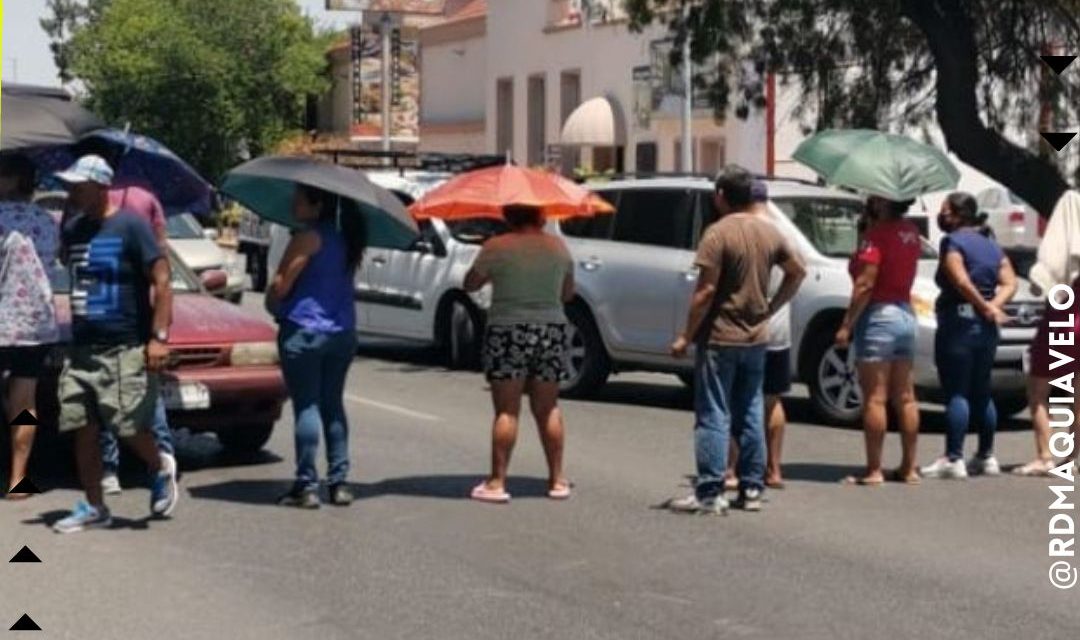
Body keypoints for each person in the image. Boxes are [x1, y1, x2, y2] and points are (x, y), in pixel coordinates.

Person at [52, 155, 178, 533]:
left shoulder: (131, 226)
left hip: (124, 346)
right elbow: (66, 262)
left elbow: (163, 280)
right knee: (83, 427)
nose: (70, 191)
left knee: (127, 427)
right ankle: (94, 506)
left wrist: (158, 339)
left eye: (78, 186)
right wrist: (66, 221)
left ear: (102, 186)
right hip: (82, 348)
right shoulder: (74, 228)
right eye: (69, 185)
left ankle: (160, 467)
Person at [668, 166, 805, 514]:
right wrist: (773, 306)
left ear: (721, 196)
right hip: (755, 337)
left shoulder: (717, 233)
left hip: (720, 335)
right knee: (750, 410)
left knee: (714, 411)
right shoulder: (769, 232)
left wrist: (685, 335)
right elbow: (797, 271)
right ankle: (752, 488)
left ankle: (710, 490)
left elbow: (706, 290)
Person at [463, 204, 575, 504]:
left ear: (508, 218)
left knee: (507, 410)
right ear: (541, 216)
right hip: (550, 330)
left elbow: (470, 283)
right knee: (548, 406)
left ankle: (497, 482)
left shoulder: (497, 247)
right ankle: (557, 479)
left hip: (508, 329)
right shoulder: (558, 248)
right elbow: (567, 294)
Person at [268, 185, 363, 509]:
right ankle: (339, 481)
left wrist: (273, 287)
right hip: (342, 331)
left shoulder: (308, 237)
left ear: (317, 203)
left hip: (304, 330)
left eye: (299, 198)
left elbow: (283, 285)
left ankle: (306, 485)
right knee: (333, 405)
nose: (293, 203)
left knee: (306, 406)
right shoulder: (348, 238)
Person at [922, 193, 1016, 479]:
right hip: (986, 327)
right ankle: (986, 455)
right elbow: (1010, 282)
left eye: (946, 211)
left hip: (959, 323)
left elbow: (960, 279)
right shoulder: (991, 245)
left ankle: (954, 457)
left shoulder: (953, 242)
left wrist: (983, 306)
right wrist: (992, 307)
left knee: (957, 391)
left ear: (959, 215)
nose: (942, 216)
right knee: (982, 389)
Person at [836, 195, 921, 486]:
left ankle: (874, 469)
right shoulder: (911, 232)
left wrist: (847, 325)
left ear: (884, 202)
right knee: (906, 396)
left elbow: (865, 283)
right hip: (905, 312)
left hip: (879, 315)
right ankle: (909, 467)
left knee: (875, 396)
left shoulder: (876, 237)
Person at [98, 175, 174, 496]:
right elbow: (162, 254)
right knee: (145, 394)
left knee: (109, 396)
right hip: (138, 314)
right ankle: (162, 457)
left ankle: (112, 467)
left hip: (117, 315)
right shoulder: (147, 198)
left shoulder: (90, 212)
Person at [722, 180, 796, 490]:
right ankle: (774, 469)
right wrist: (777, 304)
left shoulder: (746, 230)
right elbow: (798, 271)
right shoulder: (784, 230)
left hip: (747, 326)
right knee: (772, 399)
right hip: (778, 328)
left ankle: (732, 469)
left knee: (738, 398)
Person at [0, 153, 60, 498]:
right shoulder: (47, 220)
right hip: (37, 323)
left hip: (4, 319)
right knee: (25, 400)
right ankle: (18, 477)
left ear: (11, 179)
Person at [1018, 190, 1080, 477]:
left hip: (1062, 317)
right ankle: (1073, 456)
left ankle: (1045, 455)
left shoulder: (1069, 205)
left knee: (1038, 388)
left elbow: (1050, 267)